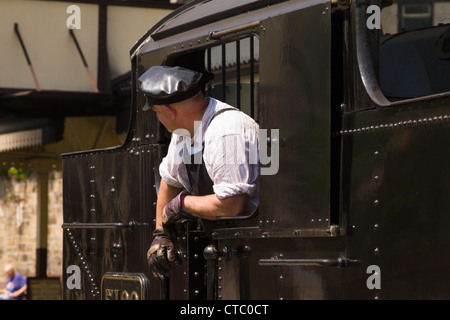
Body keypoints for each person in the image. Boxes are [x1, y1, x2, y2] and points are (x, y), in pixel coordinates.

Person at [140, 65, 259, 279]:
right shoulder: (185, 132)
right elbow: (169, 179)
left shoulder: (225, 132)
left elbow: (233, 204)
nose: (158, 118)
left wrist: (183, 204)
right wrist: (160, 234)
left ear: (169, 111)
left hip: (248, 250)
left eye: (157, 112)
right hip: (219, 248)